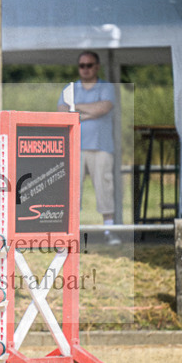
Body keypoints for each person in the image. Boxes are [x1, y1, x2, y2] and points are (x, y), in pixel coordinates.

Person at [58, 50, 120, 245]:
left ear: (97, 66)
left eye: (89, 65)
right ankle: (71, 232)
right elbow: (62, 112)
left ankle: (110, 231)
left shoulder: (106, 87)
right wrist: (90, 110)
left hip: (101, 147)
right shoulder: (70, 88)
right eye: (82, 65)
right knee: (72, 190)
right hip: (74, 147)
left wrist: (77, 107)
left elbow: (104, 107)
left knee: (105, 189)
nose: (85, 69)